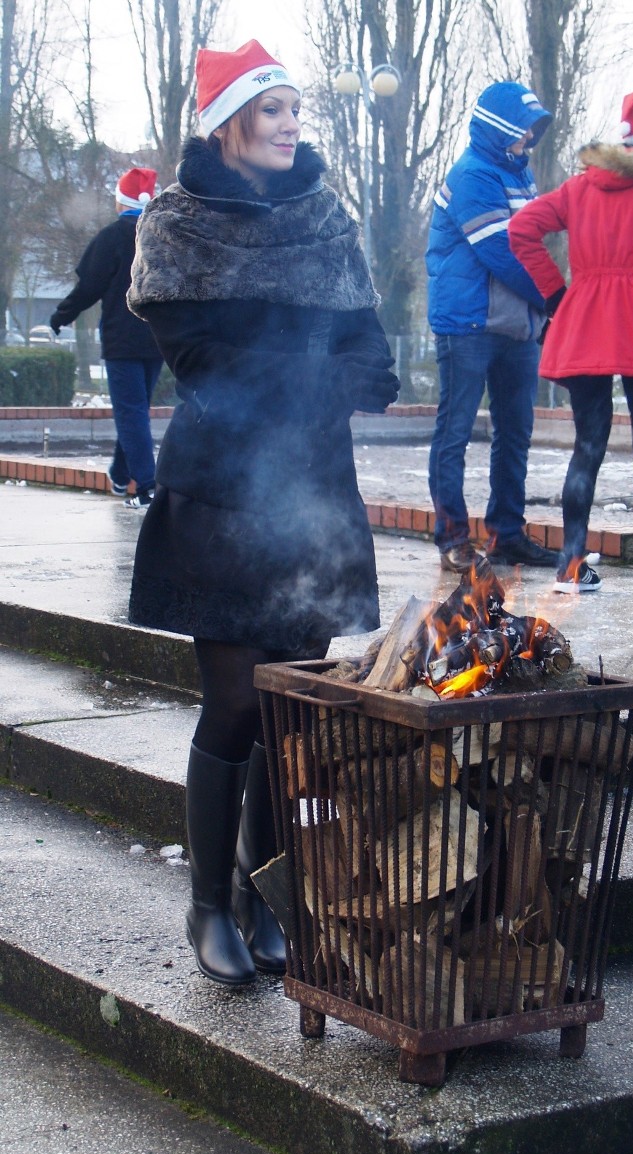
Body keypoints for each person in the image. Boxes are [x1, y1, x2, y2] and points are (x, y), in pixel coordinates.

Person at [126, 40, 399, 986]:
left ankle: (261, 886)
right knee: (237, 699)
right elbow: (200, 363)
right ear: (229, 122)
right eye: (273, 109)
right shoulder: (175, 225)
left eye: (295, 110)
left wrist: (355, 370)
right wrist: (314, 374)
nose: (291, 125)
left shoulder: (328, 219)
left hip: (314, 486)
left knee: (290, 705)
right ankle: (208, 903)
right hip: (223, 489)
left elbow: (370, 345)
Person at [508, 87, 633, 599]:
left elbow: (521, 229)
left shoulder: (582, 188)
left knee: (587, 446)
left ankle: (572, 565)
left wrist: (558, 294)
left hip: (588, 320)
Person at [425, 81, 561, 573]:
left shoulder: (520, 177)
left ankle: (508, 535)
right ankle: (453, 538)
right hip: (469, 324)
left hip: (515, 327)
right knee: (455, 433)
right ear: (501, 128)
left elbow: (535, 246)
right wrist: (555, 298)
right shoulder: (473, 176)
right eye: (525, 131)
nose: (530, 140)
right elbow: (502, 253)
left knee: (515, 433)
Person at [50, 168, 164, 509]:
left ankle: (146, 487)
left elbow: (89, 287)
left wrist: (60, 317)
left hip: (122, 342)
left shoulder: (112, 238)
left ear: (121, 201)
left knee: (131, 412)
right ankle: (119, 474)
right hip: (158, 339)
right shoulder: (160, 237)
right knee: (135, 410)